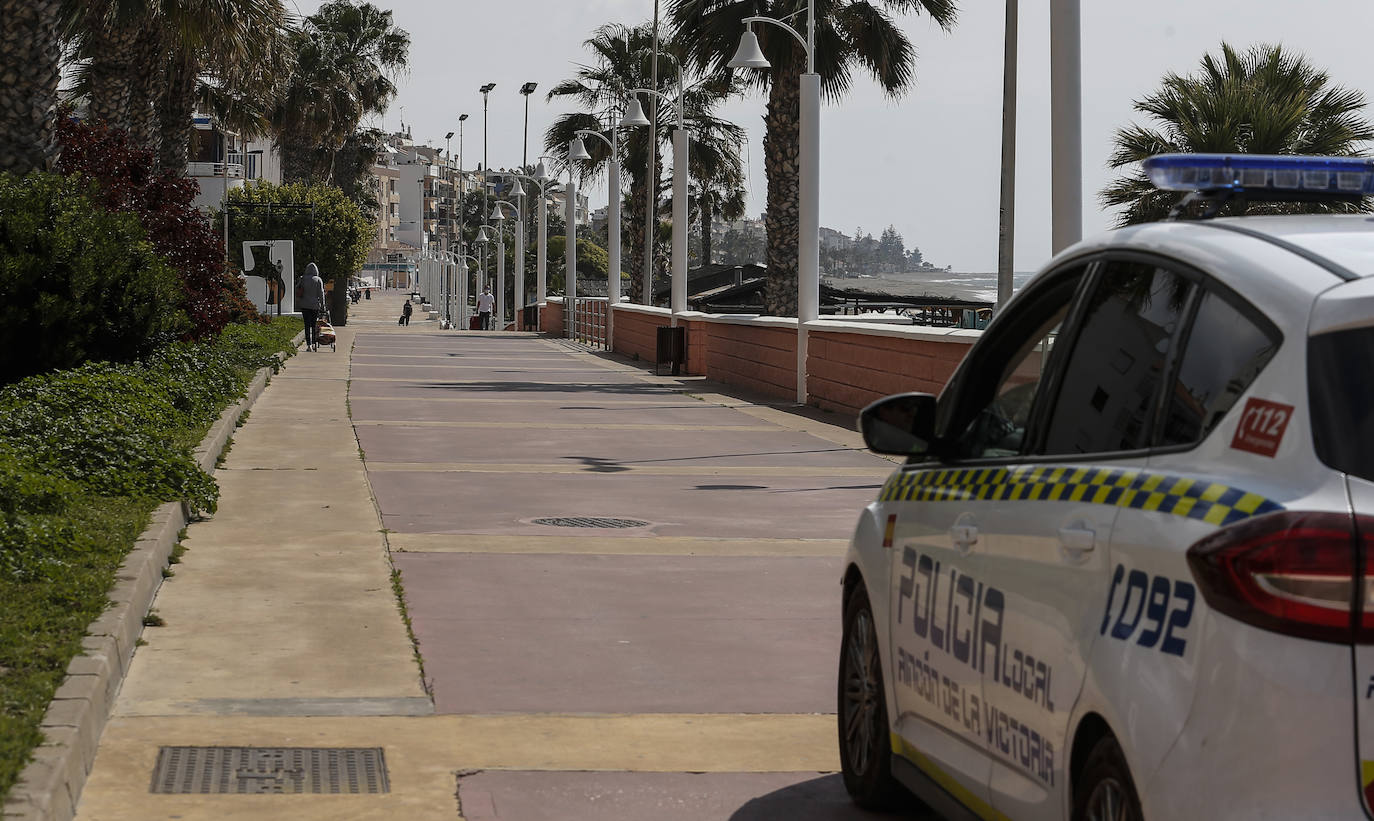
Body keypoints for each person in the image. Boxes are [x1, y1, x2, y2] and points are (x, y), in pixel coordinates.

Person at [297, 262, 327, 352]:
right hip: (314, 305)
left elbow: (297, 288)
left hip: (304, 304)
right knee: (314, 325)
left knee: (306, 325)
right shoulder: (318, 280)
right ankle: (314, 344)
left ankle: (308, 345)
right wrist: (323, 305)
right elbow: (321, 294)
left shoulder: (302, 278)